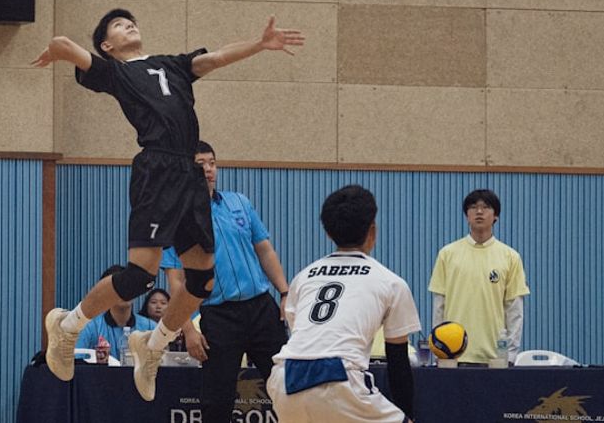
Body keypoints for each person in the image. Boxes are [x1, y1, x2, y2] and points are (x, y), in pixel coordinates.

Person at [32, 9, 304, 401]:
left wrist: (259, 45)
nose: (129, 25)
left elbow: (215, 58)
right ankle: (69, 325)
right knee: (140, 275)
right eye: (118, 25)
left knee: (202, 281)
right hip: (157, 168)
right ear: (108, 45)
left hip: (188, 172)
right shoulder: (116, 72)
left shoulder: (170, 66)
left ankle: (153, 345)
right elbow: (78, 55)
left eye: (131, 21)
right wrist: (62, 47)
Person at [161, 140, 289, 423]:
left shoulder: (239, 202)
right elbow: (176, 280)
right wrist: (188, 330)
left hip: (261, 309)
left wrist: (284, 292)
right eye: (200, 164)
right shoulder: (176, 219)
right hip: (219, 316)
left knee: (287, 387)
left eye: (212, 163)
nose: (208, 170)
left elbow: (264, 249)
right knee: (217, 400)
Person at [269, 185, 419, 423]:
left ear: (329, 233)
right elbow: (397, 361)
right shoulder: (391, 282)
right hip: (338, 377)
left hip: (284, 376)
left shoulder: (304, 276)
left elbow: (302, 336)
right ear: (373, 231)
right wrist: (408, 416)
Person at [428, 189, 529, 365]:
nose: (479, 212)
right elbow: (439, 305)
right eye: (473, 207)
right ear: (467, 215)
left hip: (495, 358)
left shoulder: (510, 257)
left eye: (486, 207)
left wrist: (510, 355)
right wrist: (440, 351)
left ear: (495, 215)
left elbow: (514, 310)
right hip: (454, 357)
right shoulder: (447, 254)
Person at [76, 265, 158, 364]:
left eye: (129, 287)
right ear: (105, 293)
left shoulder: (151, 327)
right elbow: (77, 363)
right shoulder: (90, 327)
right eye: (119, 289)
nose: (125, 293)